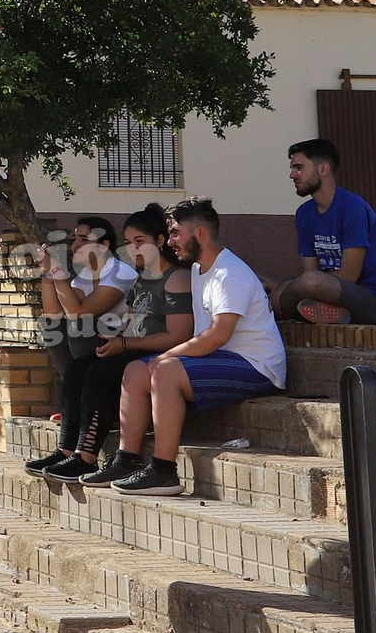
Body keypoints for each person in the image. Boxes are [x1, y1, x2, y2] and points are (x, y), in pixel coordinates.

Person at [103, 198, 287, 496]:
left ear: (199, 233)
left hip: (256, 366)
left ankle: (164, 471)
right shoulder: (199, 269)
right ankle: (127, 460)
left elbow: (217, 336)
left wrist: (166, 356)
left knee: (164, 370)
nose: (171, 241)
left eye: (175, 233)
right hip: (223, 358)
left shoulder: (229, 273)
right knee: (136, 370)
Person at [42, 204, 196, 484]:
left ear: (160, 242)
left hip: (158, 353)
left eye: (139, 242)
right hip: (133, 346)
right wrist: (118, 341)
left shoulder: (176, 278)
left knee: (101, 372)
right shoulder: (142, 280)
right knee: (79, 369)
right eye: (129, 242)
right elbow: (131, 322)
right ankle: (67, 449)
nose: (132, 249)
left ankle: (86, 457)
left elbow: (178, 336)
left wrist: (123, 345)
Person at [23, 216, 138, 477]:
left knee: (77, 324)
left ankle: (82, 426)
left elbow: (79, 312)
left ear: (105, 245)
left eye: (83, 239)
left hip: (119, 348)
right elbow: (53, 313)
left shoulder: (120, 272)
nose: (75, 244)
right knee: (52, 327)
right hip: (91, 351)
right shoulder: (86, 274)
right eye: (75, 238)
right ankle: (66, 450)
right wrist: (47, 273)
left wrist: (58, 273)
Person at [269, 139, 376, 325]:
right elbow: (310, 271)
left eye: (299, 168)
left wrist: (284, 287)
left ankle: (268, 311)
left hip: (373, 301)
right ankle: (327, 313)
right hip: (326, 296)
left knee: (310, 282)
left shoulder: (353, 208)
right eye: (292, 168)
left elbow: (348, 276)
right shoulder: (304, 213)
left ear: (323, 169)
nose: (292, 175)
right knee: (261, 280)